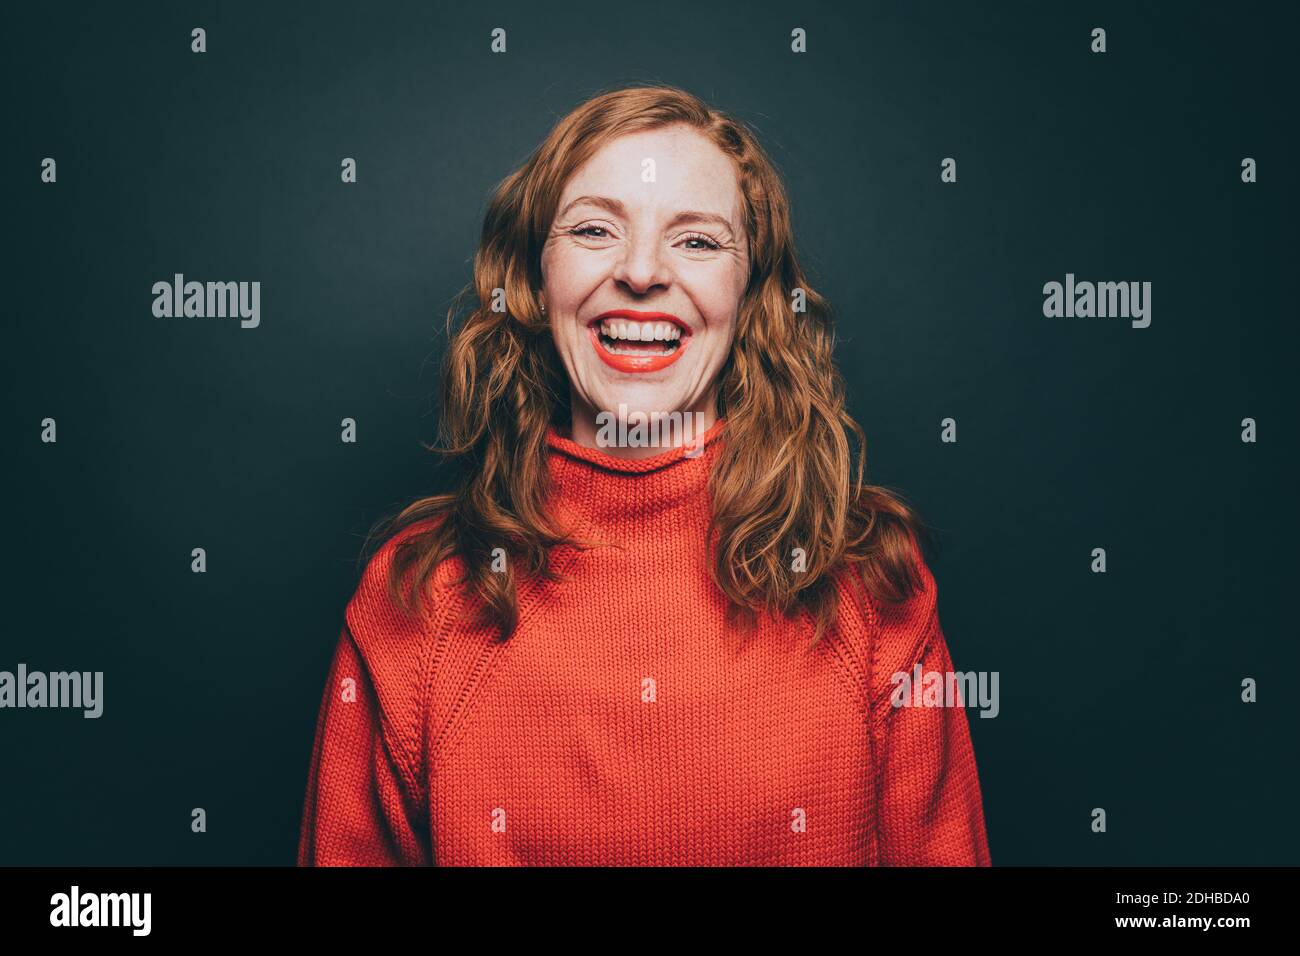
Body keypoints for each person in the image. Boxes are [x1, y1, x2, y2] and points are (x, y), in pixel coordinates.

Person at [297, 84, 991, 866]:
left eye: (696, 241)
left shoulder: (871, 584)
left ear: (751, 293)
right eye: (595, 229)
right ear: (533, 277)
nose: (640, 272)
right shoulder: (417, 595)